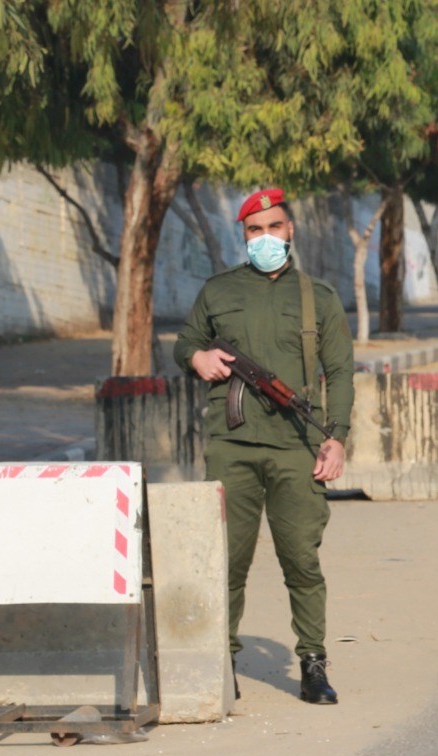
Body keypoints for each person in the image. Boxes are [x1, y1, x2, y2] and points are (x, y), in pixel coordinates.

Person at [173, 187, 354, 705]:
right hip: (231, 446)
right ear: (244, 236)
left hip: (296, 446)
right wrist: (198, 359)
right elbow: (185, 343)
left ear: (290, 230)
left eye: (274, 227)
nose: (265, 238)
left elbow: (341, 372)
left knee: (301, 559)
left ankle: (313, 663)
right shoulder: (219, 290)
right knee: (228, 560)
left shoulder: (318, 297)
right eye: (255, 230)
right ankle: (222, 661)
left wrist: (337, 439)